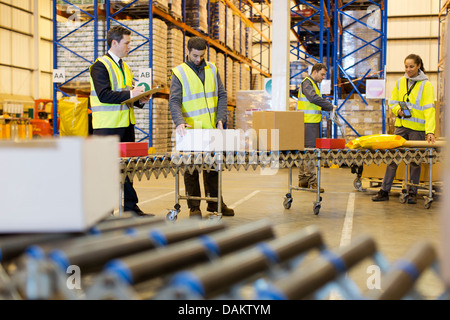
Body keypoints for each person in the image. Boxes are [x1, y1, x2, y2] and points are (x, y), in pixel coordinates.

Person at [89, 25, 153, 216]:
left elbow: (125, 97)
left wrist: (140, 99)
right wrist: (131, 93)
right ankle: (104, 211)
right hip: (107, 126)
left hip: (125, 125)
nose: (129, 47)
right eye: (126, 43)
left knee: (127, 168)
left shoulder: (125, 67)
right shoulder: (99, 65)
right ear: (114, 43)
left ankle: (130, 208)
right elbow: (103, 95)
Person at [169, 36, 234, 218]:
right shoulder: (179, 72)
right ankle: (194, 207)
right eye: (195, 55)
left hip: (211, 129)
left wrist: (220, 118)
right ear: (188, 51)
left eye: (201, 55)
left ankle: (215, 204)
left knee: (213, 169)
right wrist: (179, 121)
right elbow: (174, 101)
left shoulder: (212, 69)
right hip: (190, 130)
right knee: (191, 169)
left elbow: (221, 95)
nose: (198, 59)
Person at [372, 53, 436, 204]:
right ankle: (384, 191)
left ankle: (412, 193)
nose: (408, 69)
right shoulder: (400, 82)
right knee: (392, 159)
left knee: (415, 161)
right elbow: (393, 102)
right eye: (406, 66)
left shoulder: (426, 85)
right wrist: (397, 111)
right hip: (400, 127)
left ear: (419, 66)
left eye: (411, 66)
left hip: (417, 130)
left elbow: (429, 110)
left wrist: (430, 131)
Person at [297, 63, 335, 192]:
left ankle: (303, 180)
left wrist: (325, 108)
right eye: (322, 74)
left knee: (305, 151)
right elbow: (313, 98)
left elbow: (314, 102)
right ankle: (312, 181)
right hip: (308, 123)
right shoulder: (307, 83)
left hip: (310, 122)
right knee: (310, 151)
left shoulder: (313, 84)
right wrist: (329, 106)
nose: (323, 77)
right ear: (315, 72)